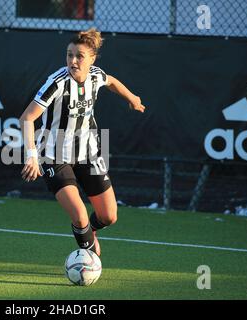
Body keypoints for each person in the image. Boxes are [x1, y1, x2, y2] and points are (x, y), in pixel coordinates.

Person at [19, 28, 145, 256]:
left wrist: (132, 98)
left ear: (92, 59)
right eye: (69, 55)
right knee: (80, 214)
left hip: (89, 154)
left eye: (79, 56)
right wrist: (31, 155)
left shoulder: (96, 75)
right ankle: (89, 258)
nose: (73, 61)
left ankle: (87, 231)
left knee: (109, 216)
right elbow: (27, 118)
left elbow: (111, 81)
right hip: (53, 156)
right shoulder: (57, 83)